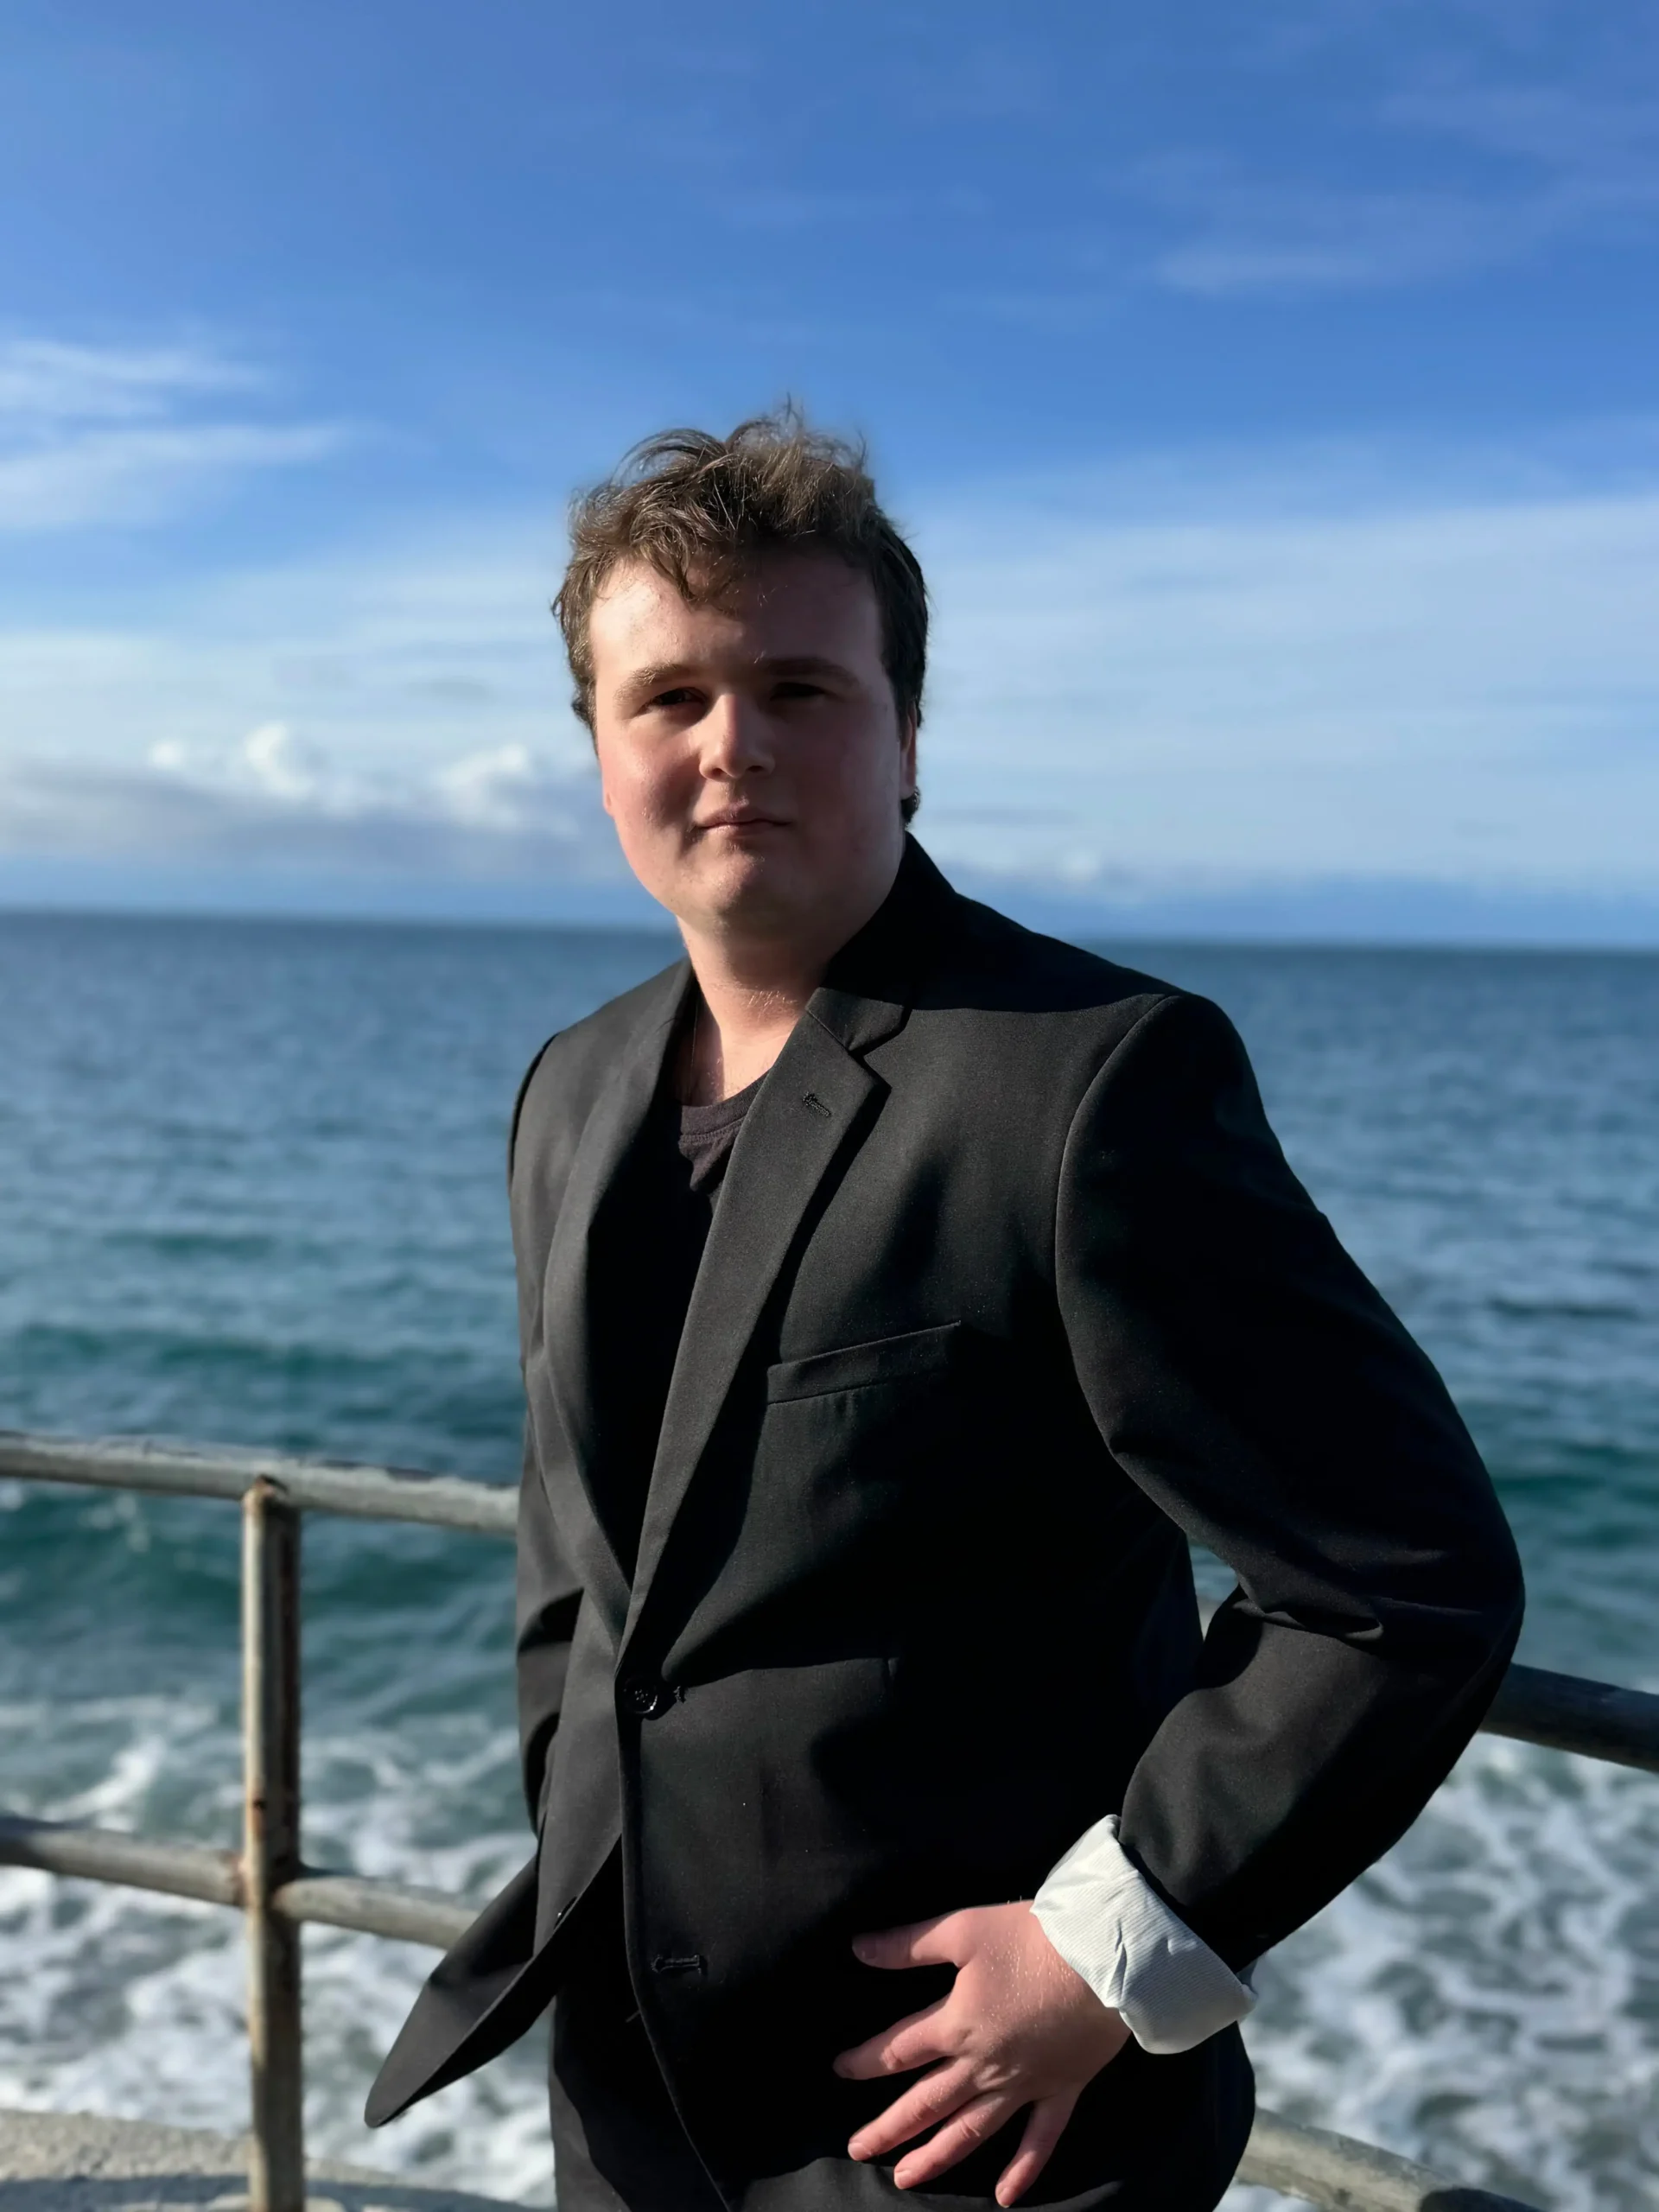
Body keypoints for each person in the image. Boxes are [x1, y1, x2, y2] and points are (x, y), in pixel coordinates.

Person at [365, 413, 1524, 2210]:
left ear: (908, 737)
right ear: (596, 748)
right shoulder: (569, 1087)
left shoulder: (1089, 1081)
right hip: (629, 2096)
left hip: (972, 2129)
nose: (731, 744)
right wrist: (581, 1835)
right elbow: (584, 1566)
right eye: (667, 697)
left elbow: (1401, 1581)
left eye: (801, 688)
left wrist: (1103, 1951)